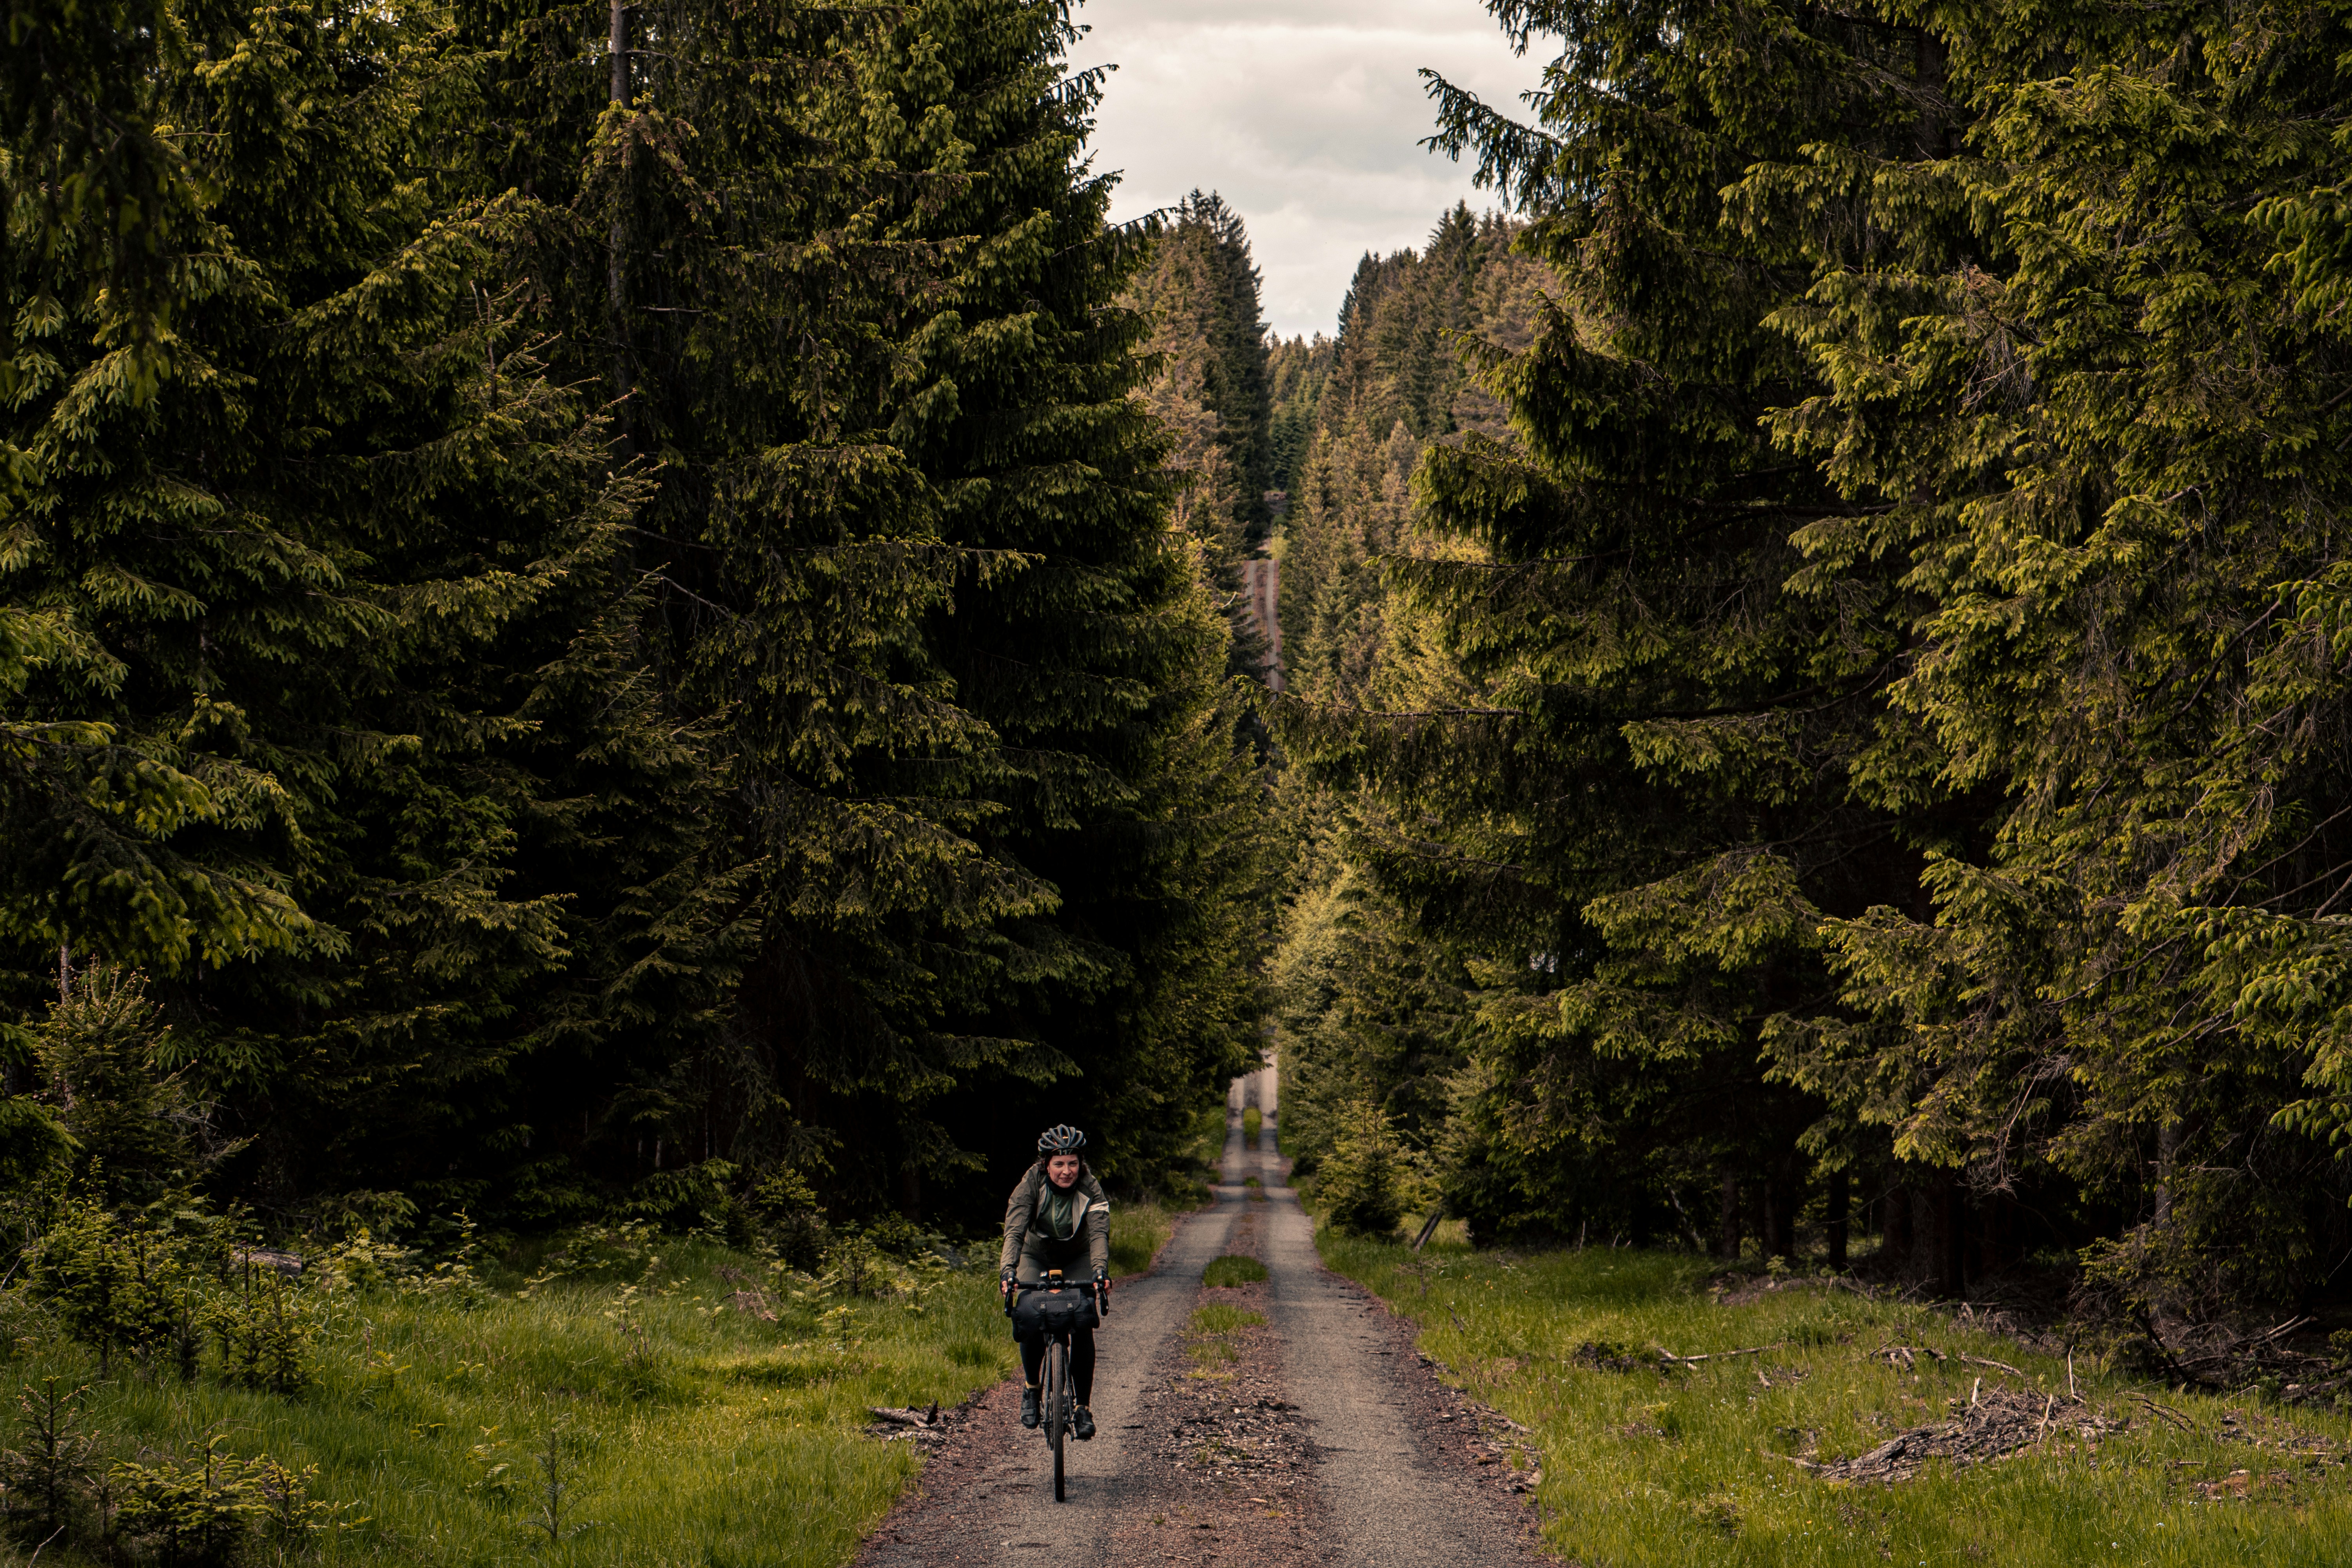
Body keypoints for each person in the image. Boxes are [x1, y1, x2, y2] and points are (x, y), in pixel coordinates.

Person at [1000, 1123, 1112, 1439]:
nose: (1067, 1171)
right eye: (1059, 1164)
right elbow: (1015, 1232)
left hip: (1076, 1256)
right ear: (1046, 1165)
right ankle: (1033, 1389)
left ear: (1081, 1164)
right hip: (1036, 1256)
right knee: (1031, 1312)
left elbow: (1100, 1234)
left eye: (1073, 1163)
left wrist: (1100, 1271)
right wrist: (1008, 1271)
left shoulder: (1091, 1188)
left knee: (1083, 1318)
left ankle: (1083, 1408)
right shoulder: (1030, 1185)